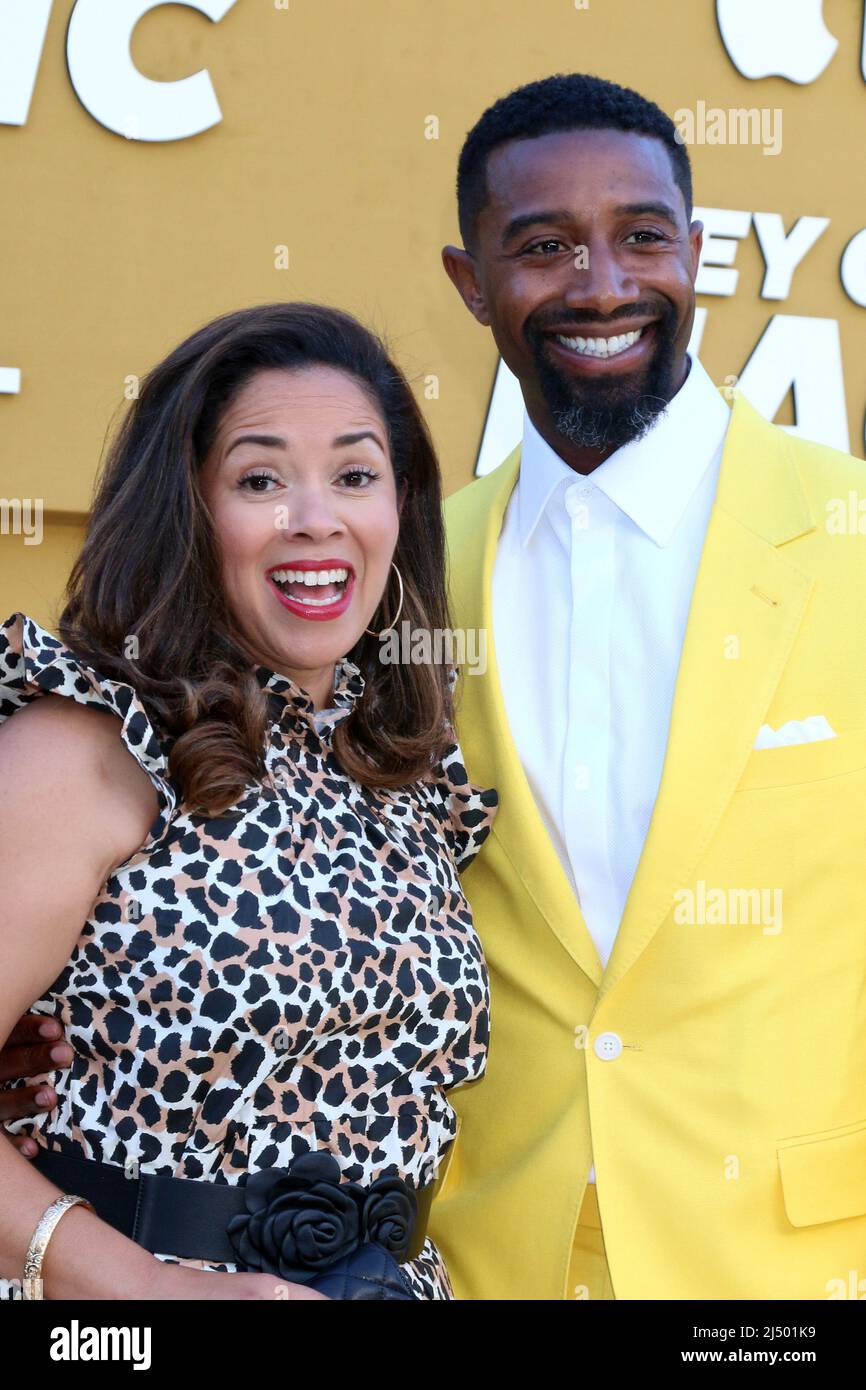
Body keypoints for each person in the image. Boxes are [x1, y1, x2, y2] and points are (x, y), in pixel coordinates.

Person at [425, 72, 866, 1299]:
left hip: (793, 1270)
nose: (602, 286)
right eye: (543, 246)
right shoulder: (406, 575)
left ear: (697, 253)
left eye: (640, 237)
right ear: (471, 283)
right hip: (489, 1260)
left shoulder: (849, 533)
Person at [0, 301, 497, 1300]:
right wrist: (149, 1289)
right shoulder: (89, 745)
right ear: (188, 507)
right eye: (260, 478)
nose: (314, 517)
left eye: (354, 475)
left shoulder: (403, 775)